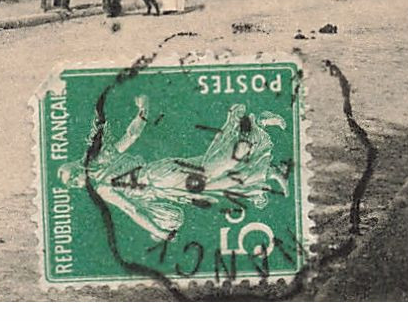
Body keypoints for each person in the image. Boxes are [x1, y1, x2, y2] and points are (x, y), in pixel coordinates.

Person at [56, 94, 289, 244]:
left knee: (212, 171)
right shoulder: (102, 160)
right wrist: (144, 107)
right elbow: (132, 134)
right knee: (216, 179)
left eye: (73, 176)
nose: (77, 181)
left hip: (161, 179)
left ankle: (252, 126)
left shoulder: (103, 187)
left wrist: (159, 232)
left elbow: (132, 211)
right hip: (162, 179)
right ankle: (266, 171)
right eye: (73, 183)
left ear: (78, 168)